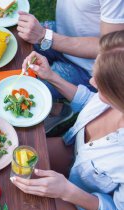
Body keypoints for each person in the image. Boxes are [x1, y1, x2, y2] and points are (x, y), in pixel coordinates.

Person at [11, 30, 124, 210]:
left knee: (18, 197)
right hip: (74, 153)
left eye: (99, 82)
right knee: (11, 158)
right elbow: (91, 100)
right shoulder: (113, 101)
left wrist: (66, 191)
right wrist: (51, 76)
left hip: (84, 206)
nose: (91, 82)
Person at [17, 0, 124, 132]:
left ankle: (56, 110)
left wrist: (44, 36)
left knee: (24, 94)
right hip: (62, 32)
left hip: (85, 66)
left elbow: (108, 48)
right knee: (16, 44)